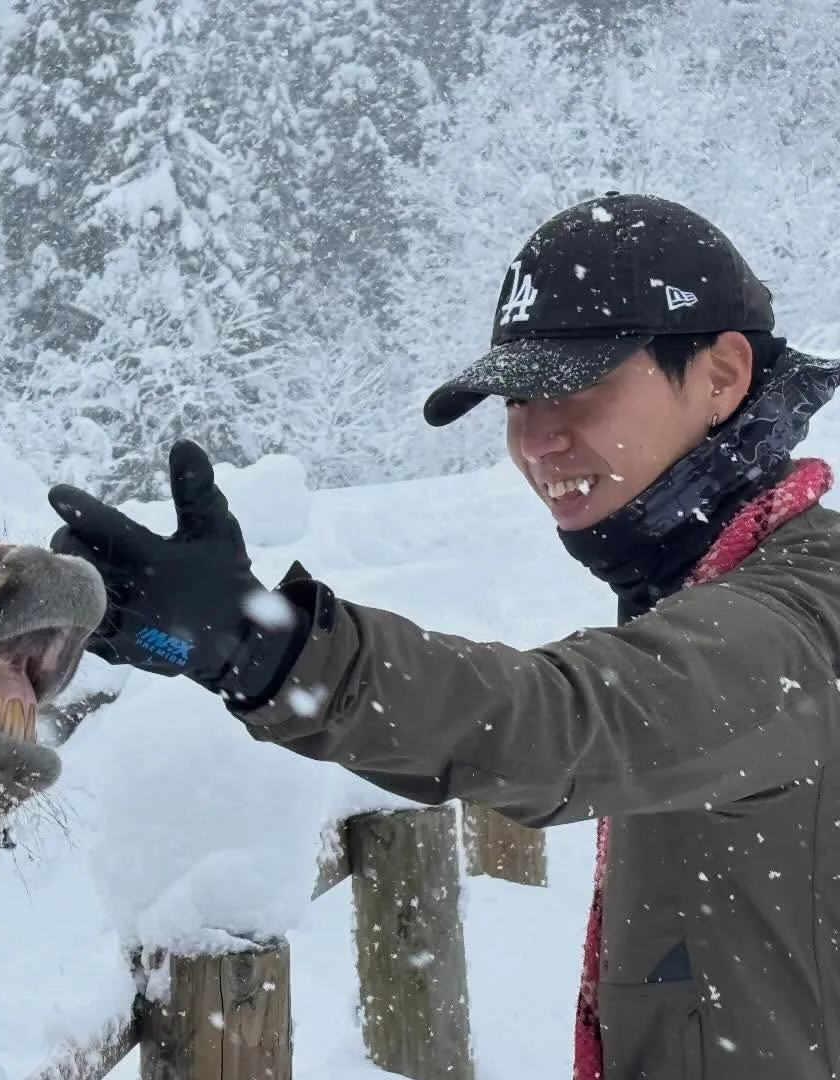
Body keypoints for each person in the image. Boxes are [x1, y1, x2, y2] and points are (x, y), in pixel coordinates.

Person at [47, 192, 840, 1080]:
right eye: (516, 398)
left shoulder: (802, 621)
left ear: (722, 376)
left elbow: (568, 720)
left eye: (580, 385)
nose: (537, 437)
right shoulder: (713, 578)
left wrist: (262, 650)